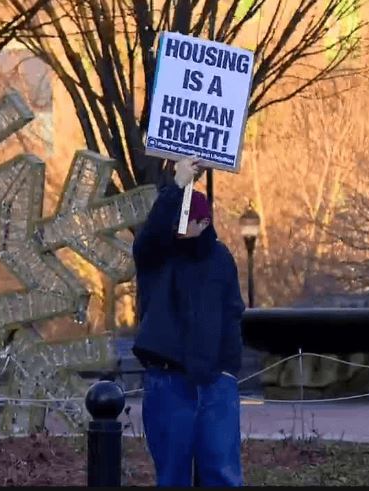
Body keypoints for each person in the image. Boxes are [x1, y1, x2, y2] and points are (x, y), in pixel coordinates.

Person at [131, 157, 245, 487]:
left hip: (215, 382)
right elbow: (150, 235)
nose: (183, 228)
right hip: (168, 382)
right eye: (178, 222)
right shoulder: (156, 256)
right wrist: (176, 185)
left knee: (222, 475)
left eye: (190, 221)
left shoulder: (220, 259)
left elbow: (232, 311)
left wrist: (226, 370)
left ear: (204, 222)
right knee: (172, 477)